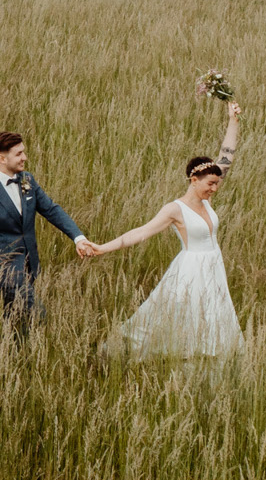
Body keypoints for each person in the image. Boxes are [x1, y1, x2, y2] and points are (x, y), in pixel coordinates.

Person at [82, 101, 244, 358]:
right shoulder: (174, 209)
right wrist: (102, 248)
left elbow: (227, 154)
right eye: (211, 184)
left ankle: (209, 356)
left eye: (217, 183)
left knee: (213, 313)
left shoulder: (207, 198)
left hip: (214, 265)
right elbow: (139, 232)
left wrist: (233, 121)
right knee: (174, 313)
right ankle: (117, 351)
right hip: (191, 268)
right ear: (194, 180)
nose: (215, 188)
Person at [0, 131, 98, 331]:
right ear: (2, 158)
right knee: (38, 315)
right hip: (4, 267)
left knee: (14, 317)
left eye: (23, 152)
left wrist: (78, 238)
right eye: (19, 154)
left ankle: (11, 352)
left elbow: (51, 210)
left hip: (29, 262)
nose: (24, 158)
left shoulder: (27, 180)